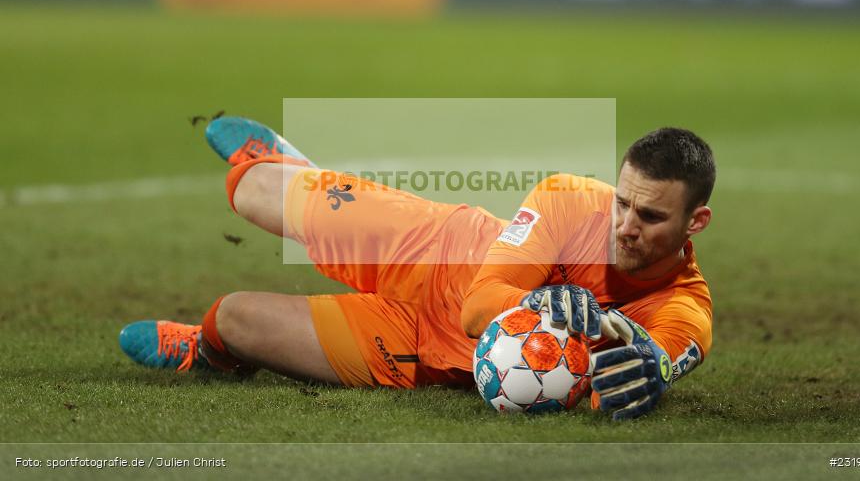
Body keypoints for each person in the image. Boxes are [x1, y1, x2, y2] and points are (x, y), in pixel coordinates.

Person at [120, 117, 715, 420]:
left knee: (234, 319)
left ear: (696, 222)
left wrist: (644, 371)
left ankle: (209, 351)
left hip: (426, 352)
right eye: (623, 202)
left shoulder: (683, 313)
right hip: (438, 247)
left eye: (651, 216)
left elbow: (639, 374)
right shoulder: (568, 199)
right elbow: (482, 306)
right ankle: (293, 169)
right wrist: (539, 305)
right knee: (249, 190)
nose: (626, 226)